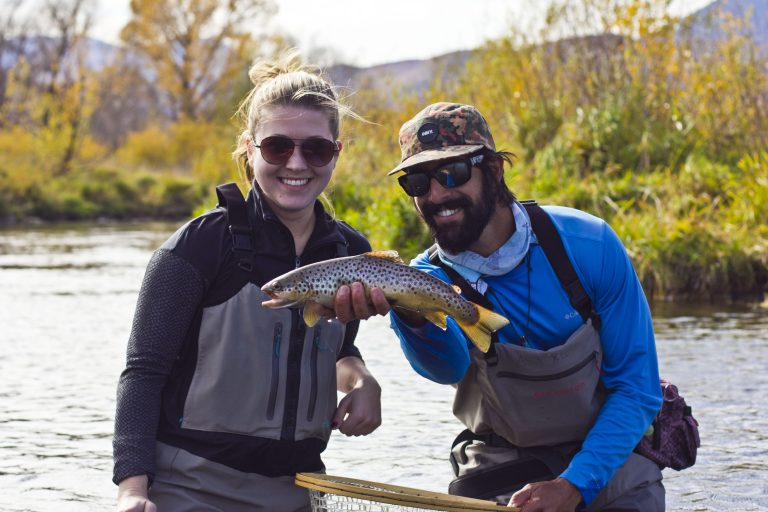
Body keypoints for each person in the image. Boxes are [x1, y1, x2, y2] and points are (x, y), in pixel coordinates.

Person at [333, 102, 664, 511]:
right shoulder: (421, 279)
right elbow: (447, 369)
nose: (436, 195)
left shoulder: (588, 245)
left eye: (451, 173)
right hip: (498, 462)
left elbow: (637, 389)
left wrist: (574, 485)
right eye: (417, 182)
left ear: (493, 170)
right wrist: (412, 314)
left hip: (608, 456)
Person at [113, 53, 382, 512]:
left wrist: (364, 383)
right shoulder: (197, 247)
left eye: (315, 149)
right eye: (278, 146)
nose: (296, 163)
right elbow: (143, 373)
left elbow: (335, 351)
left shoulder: (352, 253)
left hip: (301, 490)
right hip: (190, 490)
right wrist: (133, 492)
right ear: (249, 147)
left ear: (336, 153)